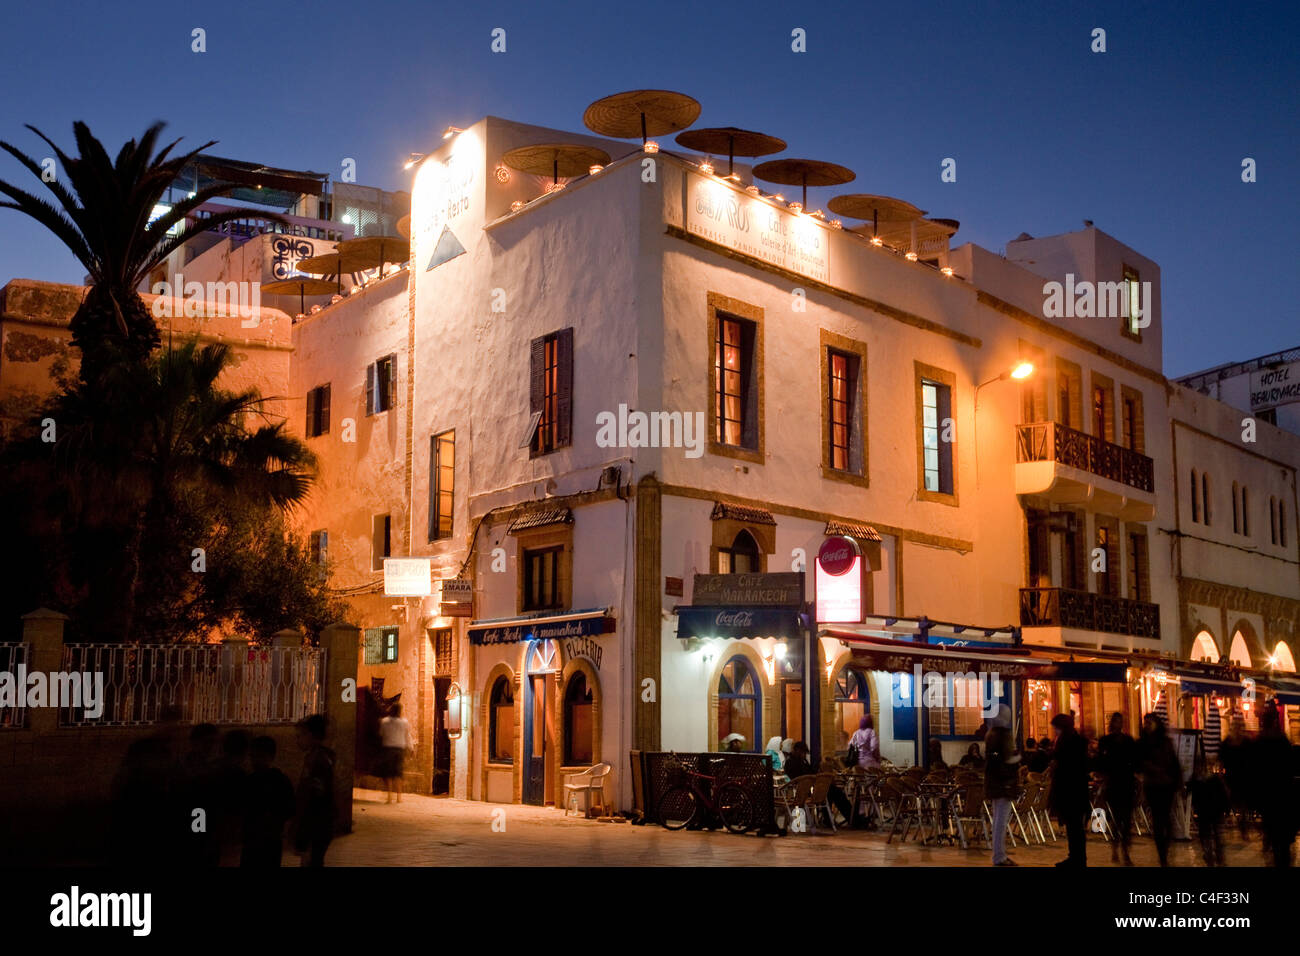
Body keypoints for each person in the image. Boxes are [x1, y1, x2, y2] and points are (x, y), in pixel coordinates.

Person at [1253, 701, 1298, 867]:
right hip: (1284, 797)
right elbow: (1292, 767)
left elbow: (1254, 772)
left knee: (1273, 837)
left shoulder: (1259, 743)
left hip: (1267, 798)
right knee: (1283, 843)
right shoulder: (1283, 742)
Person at [241, 736, 295, 867]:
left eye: (256, 756)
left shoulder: (251, 780)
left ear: (268, 756)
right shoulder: (281, 780)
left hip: (255, 838)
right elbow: (289, 809)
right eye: (252, 756)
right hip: (271, 838)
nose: (253, 760)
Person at [1137, 712, 1182, 867]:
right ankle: (1162, 854)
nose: (1147, 725)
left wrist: (1177, 781)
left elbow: (1174, 763)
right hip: (1153, 785)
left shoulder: (1165, 742)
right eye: (1145, 723)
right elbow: (1139, 763)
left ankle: (1165, 848)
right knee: (1158, 820)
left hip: (1166, 785)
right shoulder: (1143, 743)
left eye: (1150, 722)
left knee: (1166, 819)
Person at [293, 714, 336, 867]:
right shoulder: (320, 757)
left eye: (299, 736)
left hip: (316, 825)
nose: (297, 741)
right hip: (319, 824)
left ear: (310, 735)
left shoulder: (318, 760)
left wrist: (304, 832)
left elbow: (315, 797)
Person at [1048, 712, 1090, 867]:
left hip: (1070, 790)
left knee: (1074, 826)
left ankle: (1077, 858)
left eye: (1056, 729)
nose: (1055, 732)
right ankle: (1076, 856)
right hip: (1077, 789)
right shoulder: (1076, 741)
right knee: (1075, 826)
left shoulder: (1067, 743)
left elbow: (1066, 765)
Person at [1096, 712, 1137, 866]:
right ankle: (1115, 848)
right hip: (1113, 783)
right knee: (1115, 818)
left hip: (1126, 783)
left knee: (1126, 820)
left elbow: (1134, 761)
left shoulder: (1128, 741)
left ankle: (1125, 851)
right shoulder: (1106, 741)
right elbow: (1101, 761)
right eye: (1116, 721)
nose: (1118, 724)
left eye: (1120, 721)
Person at [984, 704, 1020, 866]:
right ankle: (999, 856)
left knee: (998, 820)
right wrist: (1018, 756)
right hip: (1004, 783)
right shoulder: (1004, 735)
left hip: (994, 783)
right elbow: (1008, 759)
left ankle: (998, 854)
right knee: (1001, 821)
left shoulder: (990, 734)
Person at [1218, 715, 1252, 841]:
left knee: (1243, 806)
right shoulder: (1226, 743)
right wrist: (1221, 777)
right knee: (1232, 804)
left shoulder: (1246, 742)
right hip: (1231, 778)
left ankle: (1243, 828)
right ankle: (1236, 824)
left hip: (1244, 777)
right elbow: (1221, 762)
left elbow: (1251, 760)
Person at [1191, 769, 1229, 867]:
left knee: (1205, 834)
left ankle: (1209, 854)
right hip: (1216, 810)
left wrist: (1196, 809)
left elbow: (1193, 795)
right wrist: (1226, 809)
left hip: (1204, 811)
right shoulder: (1216, 779)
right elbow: (1224, 794)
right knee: (1217, 833)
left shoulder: (1196, 779)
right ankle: (1219, 855)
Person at [379, 704, 413, 803]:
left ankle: (389, 797)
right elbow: (407, 736)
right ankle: (399, 797)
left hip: (388, 749)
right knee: (398, 773)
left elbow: (381, 734)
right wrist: (410, 748)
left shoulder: (384, 722)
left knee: (389, 773)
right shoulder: (404, 723)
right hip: (399, 749)